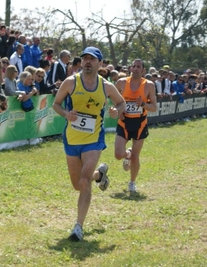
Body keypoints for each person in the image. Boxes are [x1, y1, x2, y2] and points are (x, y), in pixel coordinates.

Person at [52, 47, 126, 242]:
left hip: (94, 140)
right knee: (78, 185)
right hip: (72, 139)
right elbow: (56, 104)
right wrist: (66, 114)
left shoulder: (106, 86)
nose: (87, 62)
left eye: (92, 59)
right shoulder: (71, 82)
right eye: (85, 58)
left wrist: (116, 111)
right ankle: (99, 175)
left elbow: (121, 102)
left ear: (99, 64)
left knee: (84, 182)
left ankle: (78, 227)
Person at [114, 59, 157, 193]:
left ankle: (132, 182)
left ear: (143, 70)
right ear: (130, 69)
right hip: (124, 122)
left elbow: (154, 107)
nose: (136, 68)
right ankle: (127, 154)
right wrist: (118, 111)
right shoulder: (121, 83)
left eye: (139, 66)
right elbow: (114, 100)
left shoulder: (149, 85)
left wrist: (143, 104)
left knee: (136, 156)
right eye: (134, 66)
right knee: (118, 154)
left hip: (140, 123)